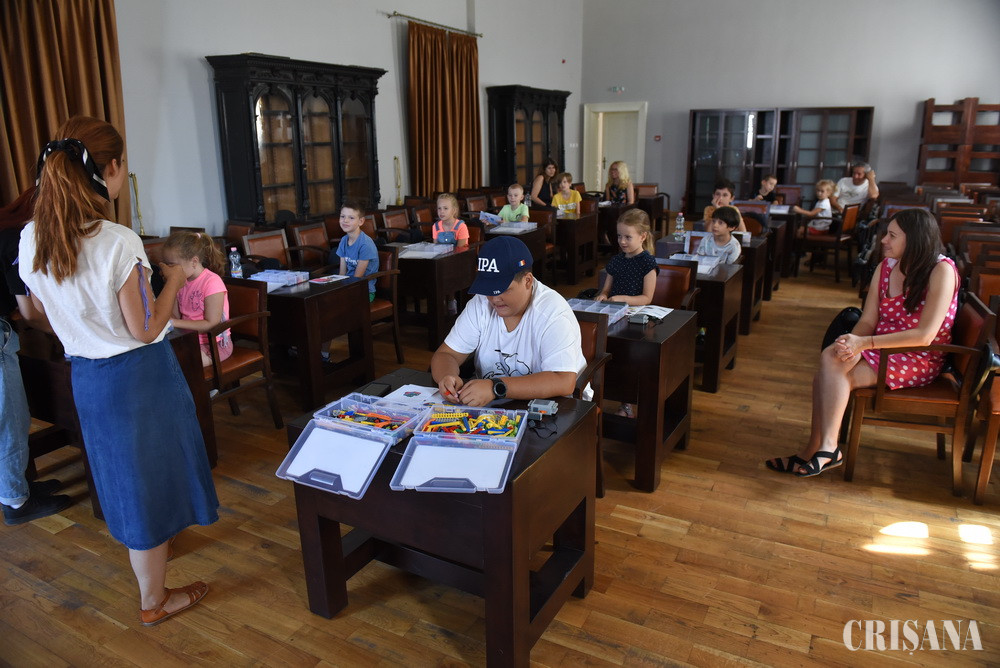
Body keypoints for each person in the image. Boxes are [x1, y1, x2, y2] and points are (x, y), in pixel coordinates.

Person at [18, 116, 218, 624]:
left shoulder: (32, 238)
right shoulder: (116, 241)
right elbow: (145, 329)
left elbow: (37, 312)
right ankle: (154, 601)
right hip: (138, 378)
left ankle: (158, 548)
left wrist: (82, 324)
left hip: (88, 377)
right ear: (109, 169)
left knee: (126, 476)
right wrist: (174, 280)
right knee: (147, 479)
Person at [766, 208, 959, 477]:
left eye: (892, 235)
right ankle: (820, 449)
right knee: (831, 361)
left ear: (915, 239)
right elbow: (868, 320)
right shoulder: (886, 267)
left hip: (917, 356)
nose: (884, 241)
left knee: (827, 375)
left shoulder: (941, 271)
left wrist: (864, 343)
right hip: (879, 346)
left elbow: (924, 336)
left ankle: (822, 449)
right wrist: (852, 343)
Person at [431, 236, 587, 407]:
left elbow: (563, 381)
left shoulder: (552, 313)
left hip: (554, 407)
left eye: (503, 289)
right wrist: (447, 376)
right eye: (488, 289)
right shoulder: (481, 303)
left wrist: (495, 388)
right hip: (493, 407)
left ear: (527, 281)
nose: (494, 299)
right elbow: (446, 354)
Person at [1, 223, 73, 526]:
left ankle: (17, 487)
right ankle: (16, 501)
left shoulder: (13, 238)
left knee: (12, 417)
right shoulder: (18, 243)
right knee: (10, 419)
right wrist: (68, 335)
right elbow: (30, 313)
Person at [595, 208, 658, 419]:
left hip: (636, 318)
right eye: (619, 236)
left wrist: (622, 298)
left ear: (642, 236)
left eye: (628, 237)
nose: (622, 241)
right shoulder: (617, 260)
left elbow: (647, 297)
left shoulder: (647, 263)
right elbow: (606, 289)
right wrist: (603, 296)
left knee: (629, 358)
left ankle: (627, 404)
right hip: (614, 314)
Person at [163, 231, 232, 367]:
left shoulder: (212, 282)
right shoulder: (181, 281)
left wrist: (174, 322)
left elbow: (211, 324)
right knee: (161, 359)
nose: (169, 270)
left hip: (214, 345)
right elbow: (175, 316)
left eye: (172, 265)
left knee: (181, 365)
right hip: (188, 340)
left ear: (194, 261)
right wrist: (171, 286)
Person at [331, 201, 379, 300]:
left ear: (361, 221)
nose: (345, 220)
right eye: (342, 216)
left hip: (364, 290)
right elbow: (342, 273)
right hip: (348, 286)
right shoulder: (343, 240)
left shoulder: (365, 244)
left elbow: (357, 277)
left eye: (351, 218)